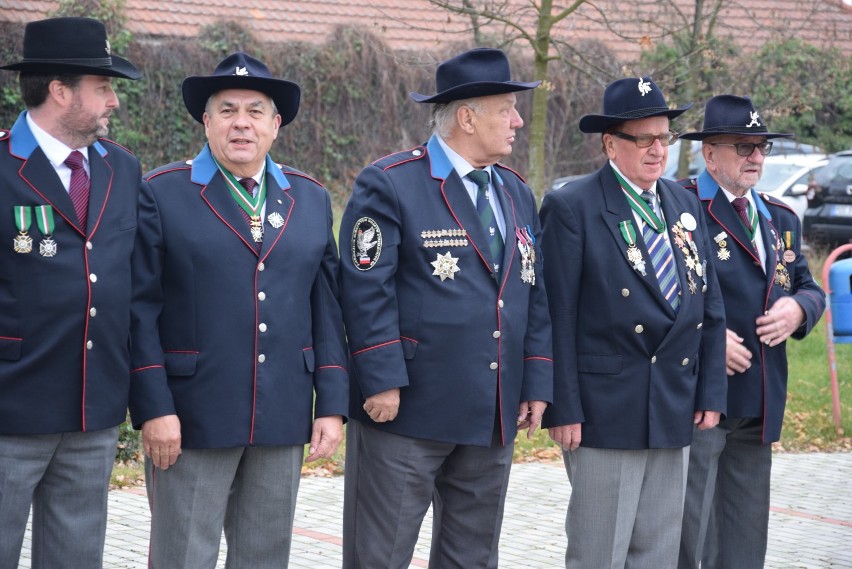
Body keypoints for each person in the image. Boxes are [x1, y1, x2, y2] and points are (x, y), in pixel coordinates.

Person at [128, 52, 348, 568]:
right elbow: (139, 309)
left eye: (255, 111)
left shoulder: (310, 198)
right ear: (206, 121)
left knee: (265, 556)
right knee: (184, 556)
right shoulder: (163, 193)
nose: (241, 123)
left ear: (276, 125)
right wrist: (154, 407)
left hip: (283, 412)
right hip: (190, 415)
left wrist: (332, 405)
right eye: (226, 110)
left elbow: (327, 306)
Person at [338, 47, 553, 569]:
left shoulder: (515, 191)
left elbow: (533, 292)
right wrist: (381, 379)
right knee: (381, 554)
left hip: (491, 411)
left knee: (472, 557)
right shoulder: (391, 183)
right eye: (507, 108)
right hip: (410, 409)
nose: (518, 121)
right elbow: (365, 288)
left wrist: (535, 383)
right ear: (466, 116)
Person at [539, 76, 728, 569]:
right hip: (605, 409)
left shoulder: (684, 204)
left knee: (658, 551)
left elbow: (708, 304)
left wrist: (710, 391)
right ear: (610, 143)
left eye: (663, 137)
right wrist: (563, 406)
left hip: (672, 400)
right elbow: (556, 313)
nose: (657, 149)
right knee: (600, 550)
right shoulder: (573, 205)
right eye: (642, 138)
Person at [0, 16, 143, 569]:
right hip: (11, 407)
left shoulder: (122, 170)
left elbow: (137, 286)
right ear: (60, 91)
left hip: (93, 409)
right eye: (103, 88)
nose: (113, 101)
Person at [676, 95, 826, 569]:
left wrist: (799, 311)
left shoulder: (778, 216)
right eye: (744, 147)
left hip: (758, 398)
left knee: (744, 539)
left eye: (762, 147)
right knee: (687, 535)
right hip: (700, 397)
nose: (756, 157)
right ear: (710, 153)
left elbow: (806, 285)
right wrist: (702, 337)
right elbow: (657, 292)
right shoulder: (678, 205)